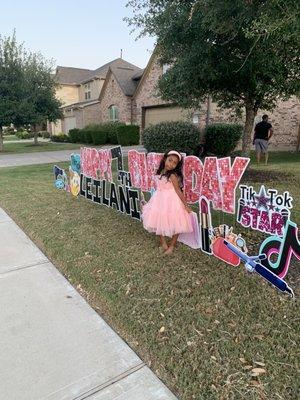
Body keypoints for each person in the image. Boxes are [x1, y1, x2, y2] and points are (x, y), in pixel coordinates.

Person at [142, 150, 193, 254]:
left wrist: (186, 205)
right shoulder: (160, 172)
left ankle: (172, 245)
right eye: (170, 160)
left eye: (175, 163)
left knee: (178, 221)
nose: (171, 164)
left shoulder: (172, 176)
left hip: (172, 200)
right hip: (159, 199)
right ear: (165, 159)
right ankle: (163, 242)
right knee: (158, 219)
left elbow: (178, 191)